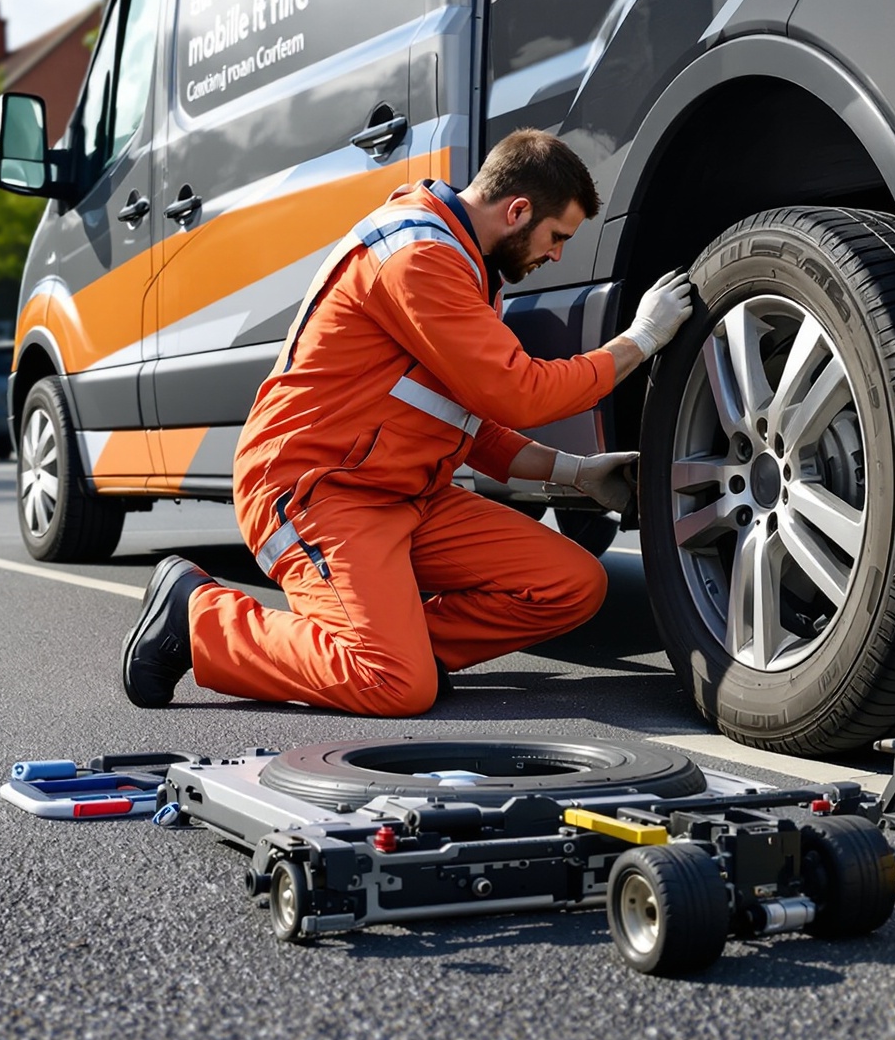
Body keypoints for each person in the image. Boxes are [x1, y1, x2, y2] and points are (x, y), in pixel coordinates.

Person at [122, 129, 697, 714]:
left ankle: (389, 654)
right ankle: (197, 617)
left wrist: (578, 472)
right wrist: (639, 340)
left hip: (405, 496)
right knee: (396, 685)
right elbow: (520, 394)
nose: (555, 255)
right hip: (314, 491)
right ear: (517, 210)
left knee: (572, 585)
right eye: (556, 238)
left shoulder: (466, 265)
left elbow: (471, 422)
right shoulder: (420, 257)